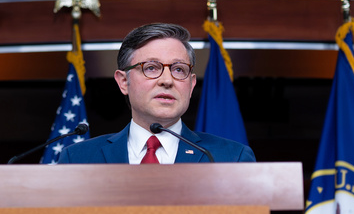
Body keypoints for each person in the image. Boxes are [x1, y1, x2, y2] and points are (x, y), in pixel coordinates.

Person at [57, 23, 256, 163]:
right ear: (123, 81)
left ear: (191, 84)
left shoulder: (230, 157)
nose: (167, 80)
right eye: (151, 67)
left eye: (179, 69)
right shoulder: (78, 158)